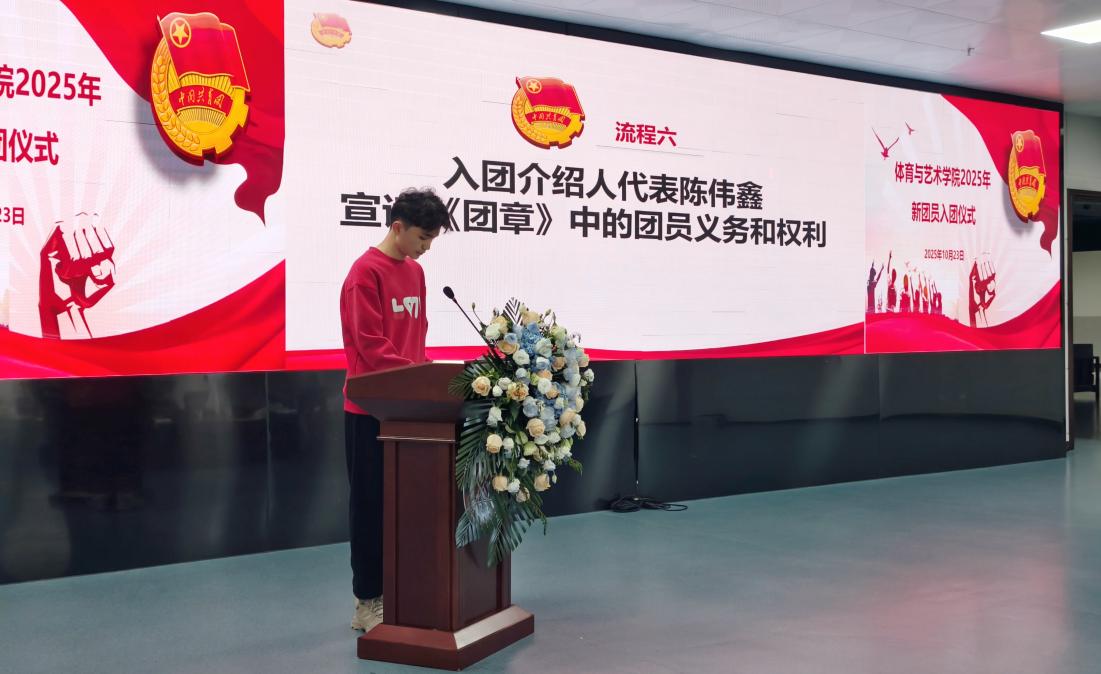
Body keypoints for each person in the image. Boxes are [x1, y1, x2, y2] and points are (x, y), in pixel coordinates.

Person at [339, 188, 446, 632]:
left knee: (406, 508)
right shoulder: (364, 273)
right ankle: (367, 602)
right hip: (368, 411)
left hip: (408, 408)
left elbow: (416, 338)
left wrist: (427, 378)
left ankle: (401, 593)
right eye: (423, 237)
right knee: (370, 509)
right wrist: (417, 377)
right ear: (397, 227)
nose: (427, 247)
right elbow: (371, 347)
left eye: (432, 239)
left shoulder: (416, 273)